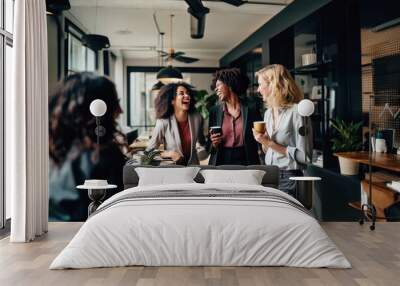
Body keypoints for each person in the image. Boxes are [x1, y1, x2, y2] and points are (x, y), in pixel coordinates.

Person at [49, 72, 127, 221]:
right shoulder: (103, 155)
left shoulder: (54, 151)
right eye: (115, 102)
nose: (120, 111)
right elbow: (114, 216)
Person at [253, 64, 312, 196]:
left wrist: (269, 143)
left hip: (289, 178)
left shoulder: (298, 112)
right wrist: (263, 141)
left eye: (261, 84)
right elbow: (268, 150)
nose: (258, 90)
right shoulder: (268, 113)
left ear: (273, 85)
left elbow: (305, 157)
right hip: (269, 175)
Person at [208, 68, 262, 165]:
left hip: (246, 159)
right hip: (221, 159)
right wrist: (214, 144)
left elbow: (259, 137)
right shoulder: (214, 111)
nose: (216, 89)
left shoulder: (251, 108)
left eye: (218, 85)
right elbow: (209, 146)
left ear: (229, 85)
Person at [146, 82, 207, 165]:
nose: (187, 96)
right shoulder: (163, 121)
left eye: (188, 93)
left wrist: (210, 146)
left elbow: (202, 143)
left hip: (193, 168)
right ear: (172, 101)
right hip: (172, 169)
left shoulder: (197, 118)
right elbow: (150, 152)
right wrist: (170, 154)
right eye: (181, 93)